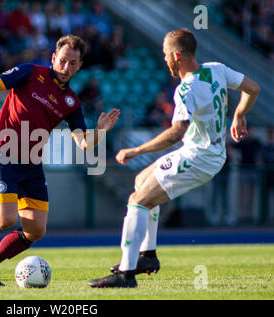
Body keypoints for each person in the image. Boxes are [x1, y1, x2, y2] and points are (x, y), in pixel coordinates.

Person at [88, 29, 260, 288]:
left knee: (137, 200)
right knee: (141, 180)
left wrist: (136, 151)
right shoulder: (217, 69)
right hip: (208, 153)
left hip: (198, 157)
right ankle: (148, 255)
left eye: (166, 54)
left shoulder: (186, 88)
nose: (165, 58)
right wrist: (239, 114)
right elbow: (253, 88)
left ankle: (125, 274)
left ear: (177, 55)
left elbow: (175, 133)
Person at [0, 34, 120, 286]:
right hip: (2, 154)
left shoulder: (71, 101)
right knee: (5, 220)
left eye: (73, 63)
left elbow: (83, 143)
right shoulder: (29, 72)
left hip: (31, 165)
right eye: (62, 61)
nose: (66, 67)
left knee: (36, 230)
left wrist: (101, 131)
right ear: (54, 58)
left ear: (80, 65)